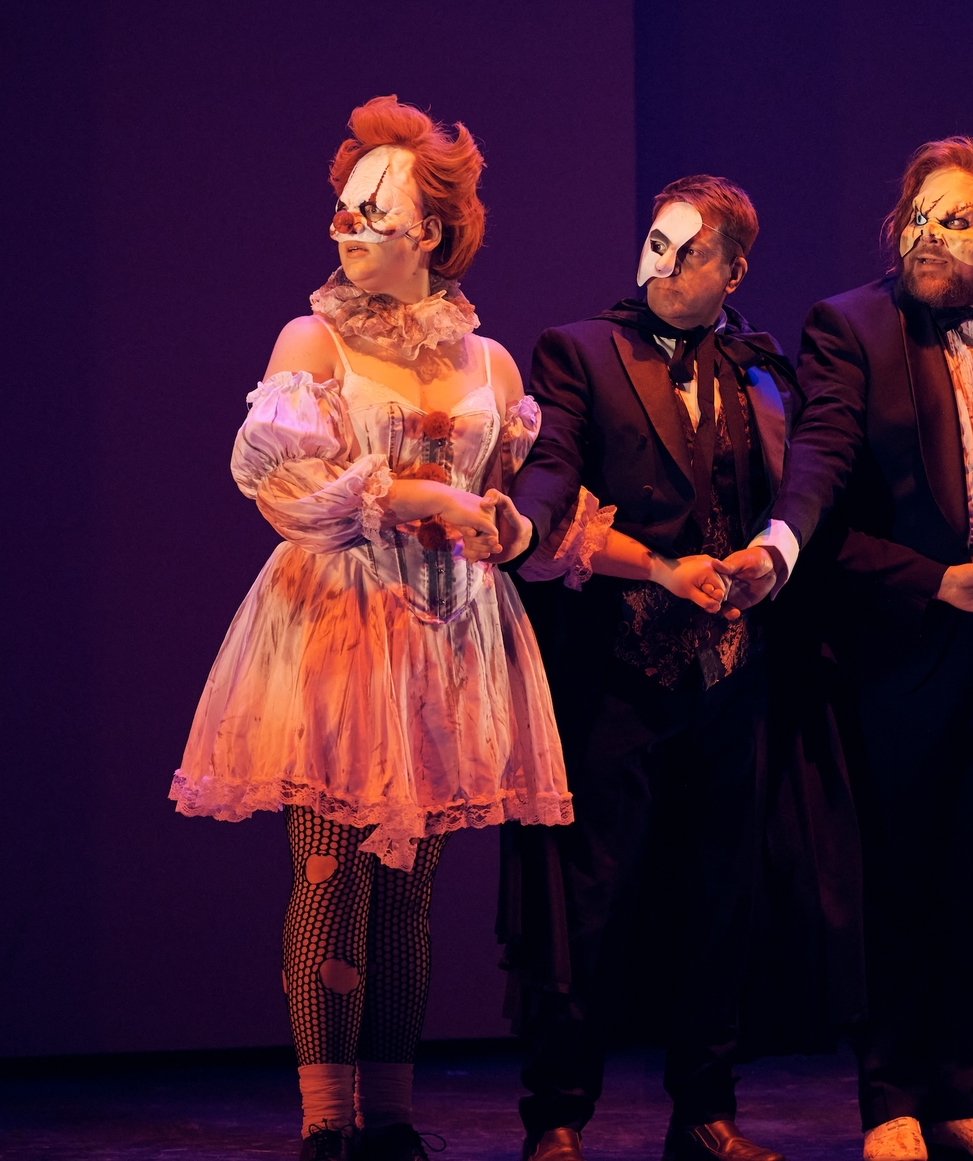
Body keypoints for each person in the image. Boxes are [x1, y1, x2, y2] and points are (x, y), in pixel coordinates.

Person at [170, 96, 571, 1161]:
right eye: (343, 210)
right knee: (329, 868)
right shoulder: (313, 340)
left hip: (443, 637)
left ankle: (390, 1114)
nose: (344, 228)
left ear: (430, 231)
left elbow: (513, 502)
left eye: (371, 214)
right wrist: (417, 495)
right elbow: (288, 493)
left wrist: (507, 526)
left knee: (408, 887)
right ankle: (326, 1120)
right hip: (338, 626)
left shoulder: (490, 365)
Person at [721, 138, 973, 1161]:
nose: (927, 233)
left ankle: (966, 1092)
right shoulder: (854, 326)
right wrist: (913, 575)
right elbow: (821, 474)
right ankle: (888, 1097)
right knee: (896, 870)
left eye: (956, 218)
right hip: (903, 638)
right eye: (919, 214)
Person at [500, 176, 828, 1161]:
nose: (666, 266)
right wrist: (526, 518)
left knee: (718, 893)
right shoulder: (580, 350)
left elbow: (797, 483)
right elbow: (553, 464)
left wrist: (766, 558)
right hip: (617, 672)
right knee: (587, 896)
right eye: (658, 242)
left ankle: (705, 1110)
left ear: (734, 269)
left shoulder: (760, 368)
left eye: (692, 253)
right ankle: (558, 1114)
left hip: (729, 674)